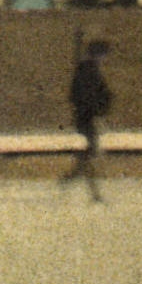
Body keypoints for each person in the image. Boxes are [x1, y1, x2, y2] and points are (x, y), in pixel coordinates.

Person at [61, 39, 110, 202]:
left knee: (88, 154)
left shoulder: (86, 69)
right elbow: (88, 95)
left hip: (86, 116)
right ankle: (94, 193)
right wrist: (97, 111)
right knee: (90, 153)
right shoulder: (89, 70)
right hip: (87, 117)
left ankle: (72, 178)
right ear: (98, 55)